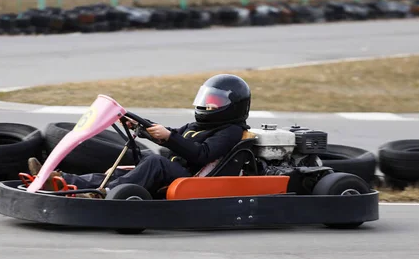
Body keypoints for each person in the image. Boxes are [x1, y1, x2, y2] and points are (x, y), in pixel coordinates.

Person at [27, 74, 252, 197]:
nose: (208, 106)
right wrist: (142, 127)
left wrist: (169, 138)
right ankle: (61, 181)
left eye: (215, 103)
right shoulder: (197, 125)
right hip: (175, 170)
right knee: (121, 169)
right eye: (208, 101)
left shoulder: (231, 130)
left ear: (232, 106)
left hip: (191, 178)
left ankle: (103, 194)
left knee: (155, 161)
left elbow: (202, 155)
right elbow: (171, 136)